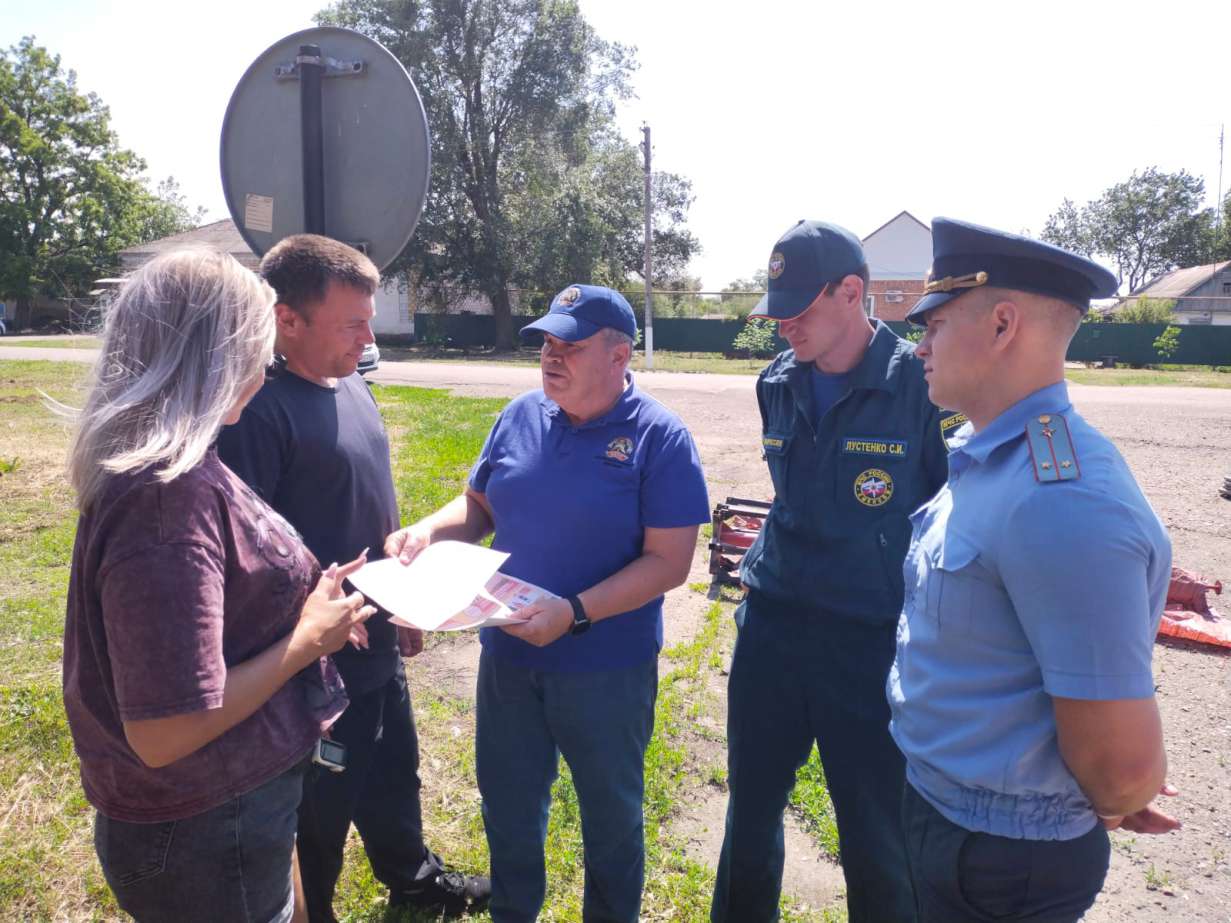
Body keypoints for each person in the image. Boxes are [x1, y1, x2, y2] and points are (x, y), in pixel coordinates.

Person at [61, 249, 374, 922]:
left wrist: (301, 599)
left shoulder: (177, 461)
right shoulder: (165, 501)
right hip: (204, 829)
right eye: (258, 342)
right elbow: (166, 730)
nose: (267, 362)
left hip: (226, 812)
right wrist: (306, 639)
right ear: (220, 355)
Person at [384, 284, 710, 922]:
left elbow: (669, 563)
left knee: (610, 816)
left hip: (605, 667)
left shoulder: (660, 437)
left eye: (571, 346)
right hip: (509, 656)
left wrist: (575, 612)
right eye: (546, 345)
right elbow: (480, 507)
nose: (551, 357)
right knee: (508, 805)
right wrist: (428, 530)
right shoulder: (520, 414)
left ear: (619, 356)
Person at [888, 217, 1179, 922]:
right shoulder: (998, 454)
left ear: (1001, 325)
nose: (919, 344)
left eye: (935, 323)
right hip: (953, 817)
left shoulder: (1061, 499)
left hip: (1000, 855)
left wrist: (1109, 790)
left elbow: (1122, 770)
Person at [216, 235, 488, 919]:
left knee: (393, 771)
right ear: (287, 320)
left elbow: (366, 503)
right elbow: (245, 562)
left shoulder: (350, 384)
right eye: (352, 324)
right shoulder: (256, 414)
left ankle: (414, 877)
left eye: (369, 320)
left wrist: (403, 600)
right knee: (320, 810)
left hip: (376, 640)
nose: (368, 338)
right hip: (316, 670)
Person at [713, 220, 957, 923]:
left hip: (868, 641)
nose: (783, 324)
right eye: (777, 310)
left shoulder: (919, 386)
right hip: (773, 628)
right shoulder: (776, 382)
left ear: (851, 292)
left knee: (875, 833)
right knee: (749, 812)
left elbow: (951, 518)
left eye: (799, 308)